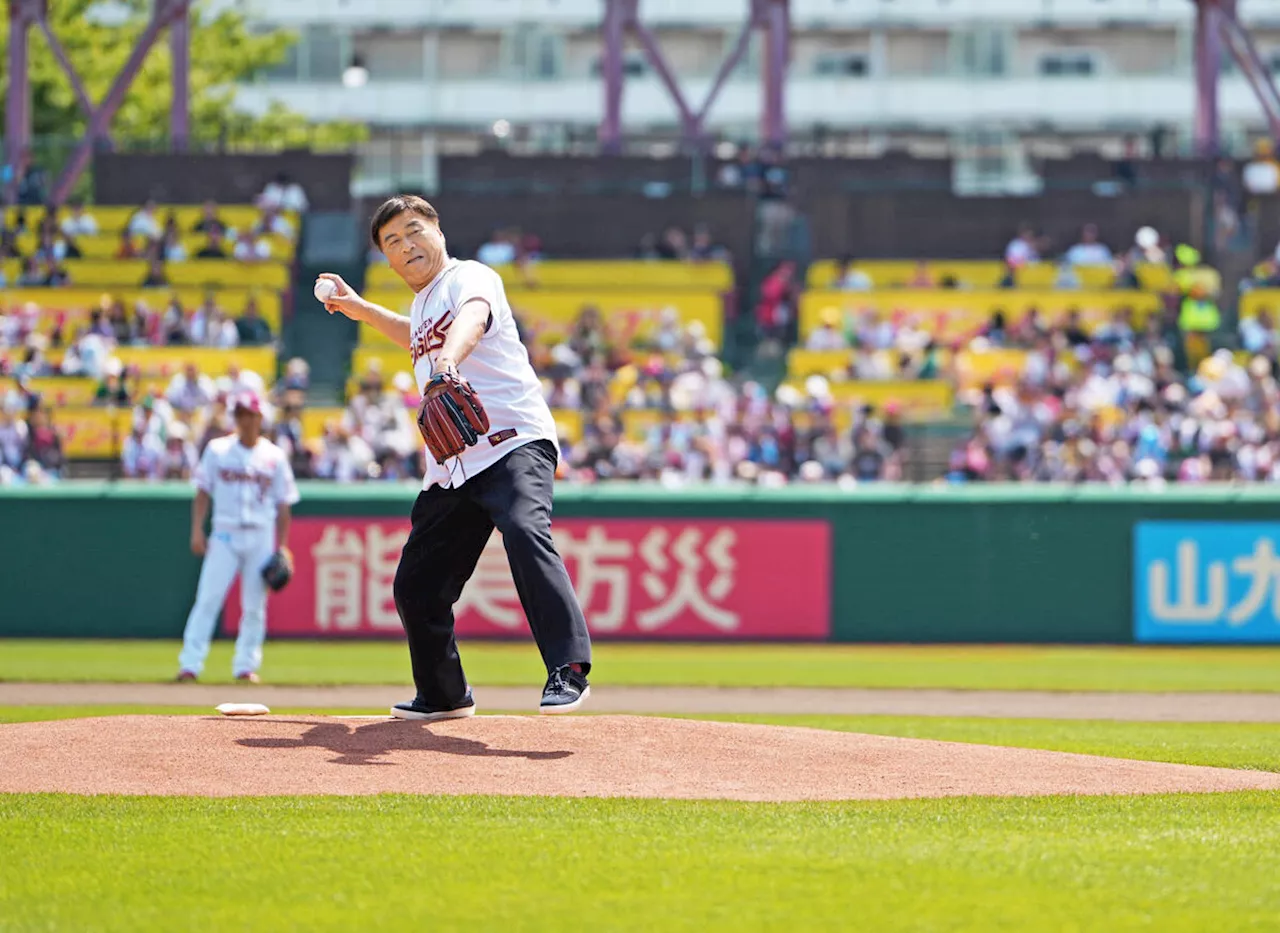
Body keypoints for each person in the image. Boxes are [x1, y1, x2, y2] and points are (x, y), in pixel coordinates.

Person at [316, 194, 593, 719]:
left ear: (438, 232)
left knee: (523, 527)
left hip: (512, 440)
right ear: (388, 260)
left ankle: (568, 668)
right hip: (454, 467)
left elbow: (473, 317)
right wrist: (360, 310)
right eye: (392, 241)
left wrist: (447, 359)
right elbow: (416, 337)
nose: (407, 245)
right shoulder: (422, 305)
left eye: (414, 230)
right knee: (417, 584)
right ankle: (444, 694)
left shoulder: (472, 277)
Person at [176, 393, 298, 683]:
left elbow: (284, 505)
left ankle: (245, 666)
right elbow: (202, 491)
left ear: (259, 418)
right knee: (207, 599)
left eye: (250, 415)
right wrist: (197, 530)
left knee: (255, 606)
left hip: (260, 535)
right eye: (240, 414)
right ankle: (189, 665)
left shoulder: (274, 455)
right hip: (225, 535)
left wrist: (281, 546)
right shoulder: (217, 450)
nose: (245, 420)